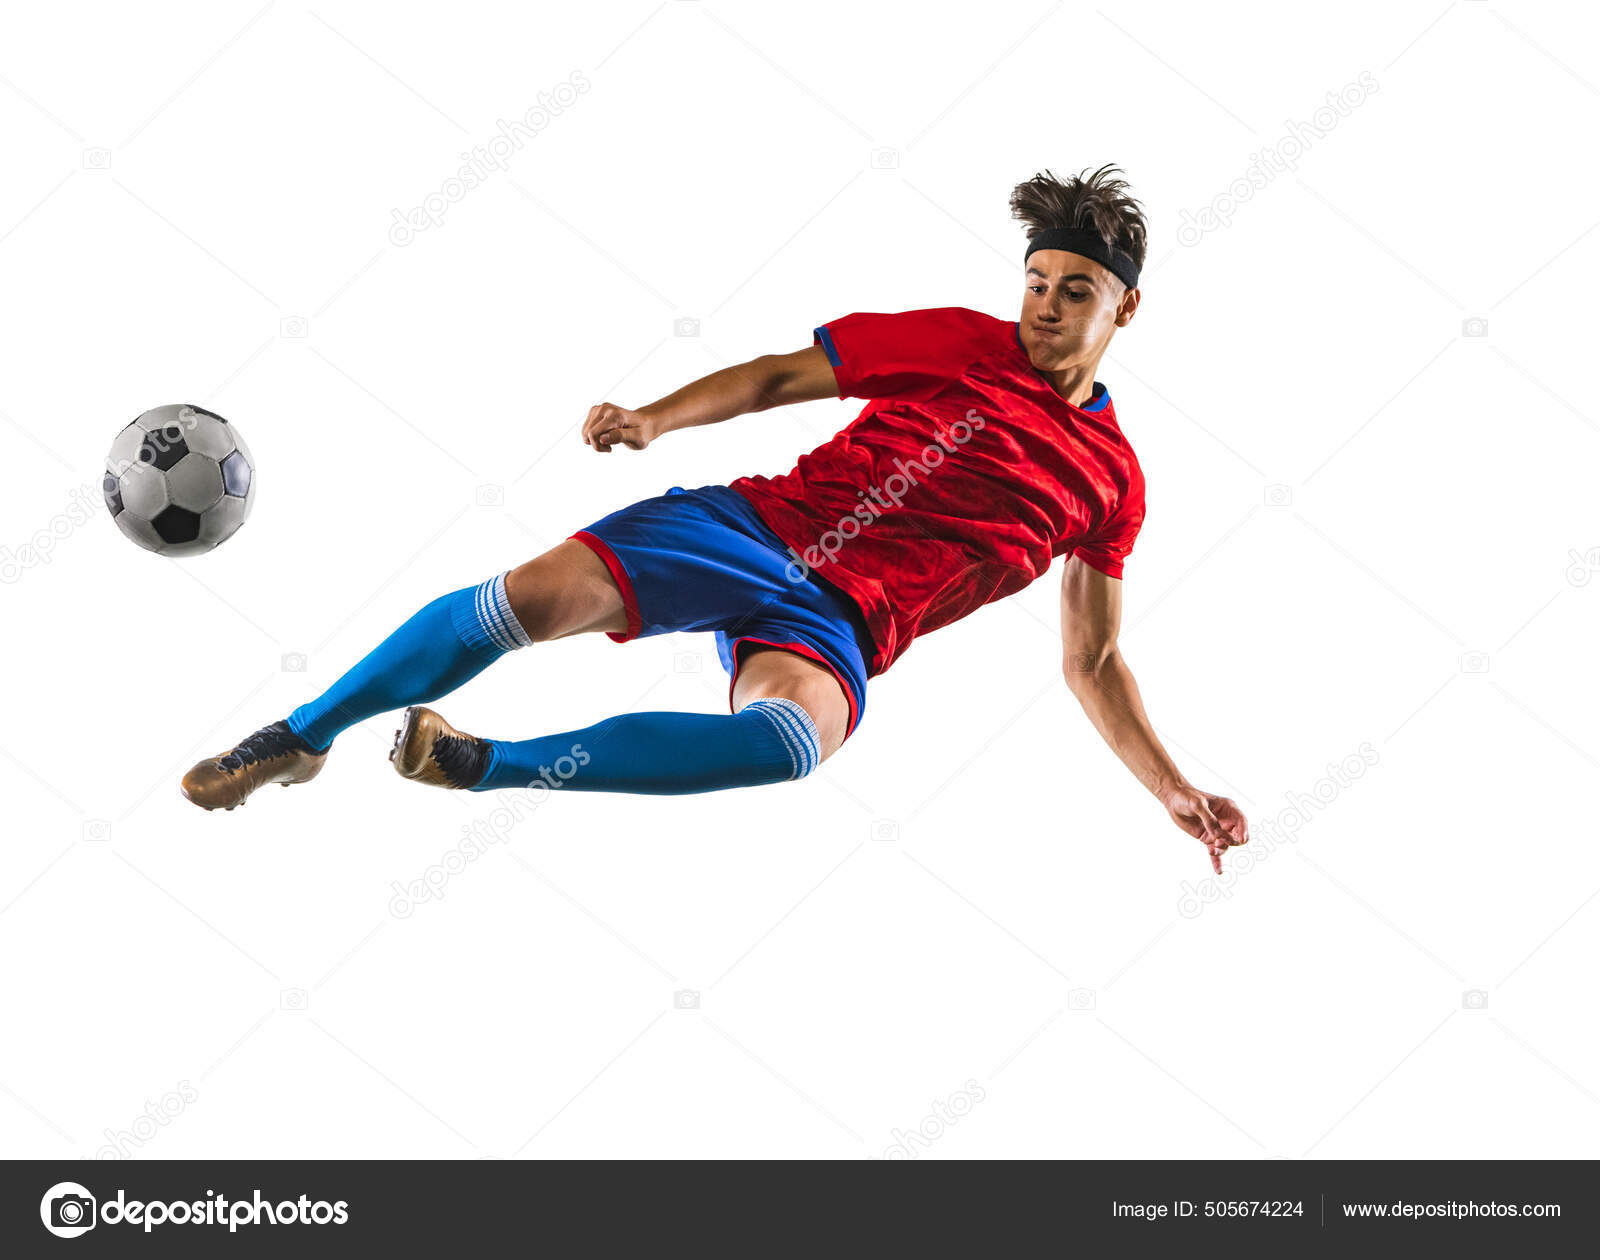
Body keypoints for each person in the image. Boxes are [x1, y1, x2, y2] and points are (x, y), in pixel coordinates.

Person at [181, 164, 1250, 874]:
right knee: (526, 604)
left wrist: (1172, 789)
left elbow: (1095, 657)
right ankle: (300, 737)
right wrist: (657, 417)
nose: (1044, 306)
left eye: (1073, 290)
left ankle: (481, 764)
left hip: (840, 626)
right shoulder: (959, 339)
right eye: (1034, 282)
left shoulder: (1112, 481)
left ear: (1125, 307)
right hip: (760, 530)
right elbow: (786, 373)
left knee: (789, 745)